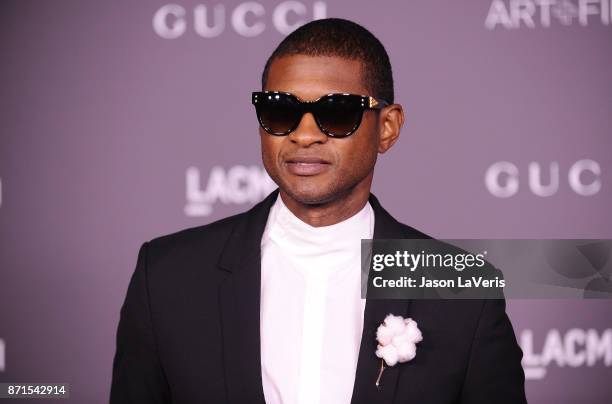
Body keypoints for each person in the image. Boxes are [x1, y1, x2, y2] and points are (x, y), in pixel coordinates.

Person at [110, 17, 527, 404]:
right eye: (280, 110)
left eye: (336, 112)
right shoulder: (167, 275)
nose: (304, 134)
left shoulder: (463, 291)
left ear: (387, 128)